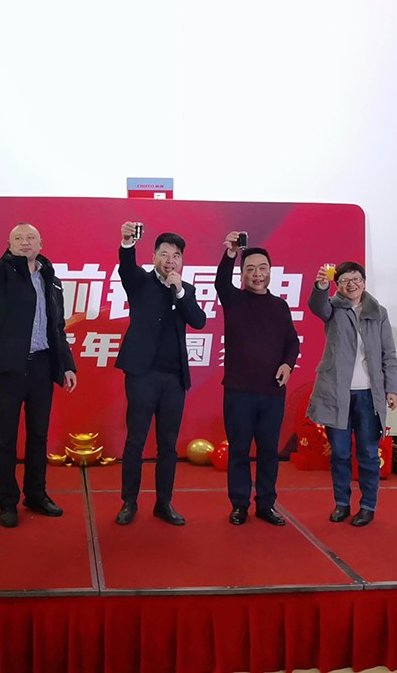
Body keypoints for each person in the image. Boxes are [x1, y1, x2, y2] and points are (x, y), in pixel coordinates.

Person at [0, 198, 78, 528]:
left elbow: (57, 326)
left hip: (42, 367)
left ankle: (36, 494)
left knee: (38, 437)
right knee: (6, 439)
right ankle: (7, 501)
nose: (25, 242)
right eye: (18, 238)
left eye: (31, 238)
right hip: (9, 369)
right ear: (9, 244)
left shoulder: (50, 278)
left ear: (41, 244)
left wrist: (67, 365)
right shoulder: (2, 273)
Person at [113, 223, 207, 526]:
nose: (170, 260)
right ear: (153, 256)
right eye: (164, 254)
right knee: (136, 440)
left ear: (182, 261)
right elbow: (126, 268)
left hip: (174, 379)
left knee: (168, 444)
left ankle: (163, 503)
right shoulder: (140, 281)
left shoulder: (185, 289)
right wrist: (127, 243)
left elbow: (199, 321)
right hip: (142, 374)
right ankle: (129, 502)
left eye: (176, 255)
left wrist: (179, 290)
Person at [306, 261, 397, 528]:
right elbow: (317, 306)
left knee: (368, 453)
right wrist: (321, 285)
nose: (352, 284)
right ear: (338, 285)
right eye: (345, 280)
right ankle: (342, 503)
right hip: (337, 393)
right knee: (340, 453)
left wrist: (392, 388)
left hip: (369, 395)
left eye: (356, 279)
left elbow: (388, 353)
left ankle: (368, 505)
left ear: (364, 282)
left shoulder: (378, 312)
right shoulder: (333, 308)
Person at [215, 232, 299, 526]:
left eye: (262, 268)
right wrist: (230, 253)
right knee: (239, 450)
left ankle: (266, 504)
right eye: (250, 269)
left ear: (270, 271)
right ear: (242, 274)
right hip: (238, 391)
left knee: (268, 452)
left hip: (272, 392)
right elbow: (220, 283)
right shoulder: (234, 300)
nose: (257, 274)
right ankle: (239, 504)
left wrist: (288, 364)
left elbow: (292, 342)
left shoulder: (280, 306)